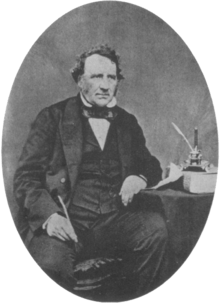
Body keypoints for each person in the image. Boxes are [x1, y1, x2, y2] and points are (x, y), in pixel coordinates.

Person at [13, 44, 168, 299]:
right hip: (65, 220)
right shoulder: (53, 117)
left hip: (112, 222)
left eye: (112, 77)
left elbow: (151, 164)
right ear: (79, 80)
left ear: (118, 82)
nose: (105, 85)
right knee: (51, 266)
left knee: (155, 230)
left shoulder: (127, 122)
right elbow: (25, 177)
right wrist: (50, 217)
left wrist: (137, 177)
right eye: (97, 76)